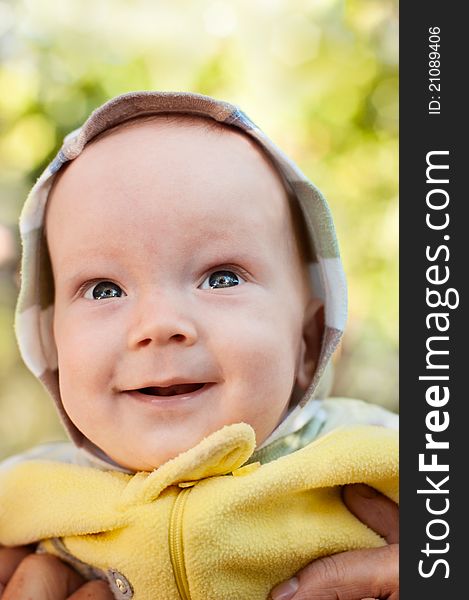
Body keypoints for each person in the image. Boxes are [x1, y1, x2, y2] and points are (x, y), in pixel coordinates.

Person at [0, 91, 398, 599]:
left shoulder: (368, 453)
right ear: (51, 347)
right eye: (105, 289)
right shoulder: (29, 492)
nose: (160, 325)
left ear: (305, 342)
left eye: (222, 278)